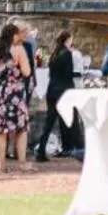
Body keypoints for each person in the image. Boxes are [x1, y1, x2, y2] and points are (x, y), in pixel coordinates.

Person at [0, 20, 33, 174]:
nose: (20, 36)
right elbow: (27, 72)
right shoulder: (19, 49)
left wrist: (1, 78)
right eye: (18, 34)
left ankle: (1, 166)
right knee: (20, 128)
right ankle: (21, 163)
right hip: (15, 92)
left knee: (0, 130)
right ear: (13, 35)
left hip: (0, 92)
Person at [35, 27, 81, 163]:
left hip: (52, 89)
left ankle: (41, 150)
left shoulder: (55, 53)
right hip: (63, 90)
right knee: (70, 119)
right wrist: (79, 74)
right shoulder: (67, 53)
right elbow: (68, 73)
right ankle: (76, 147)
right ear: (68, 39)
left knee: (49, 121)